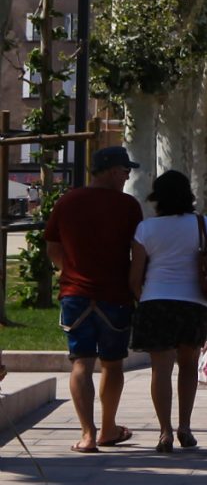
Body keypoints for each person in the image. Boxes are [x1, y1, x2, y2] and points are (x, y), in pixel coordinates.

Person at [46, 145, 145, 452]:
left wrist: (73, 271)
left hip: (75, 295)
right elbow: (137, 251)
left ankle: (87, 434)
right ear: (112, 170)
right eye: (125, 170)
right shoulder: (128, 206)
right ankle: (109, 427)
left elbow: (53, 249)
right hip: (115, 295)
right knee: (113, 365)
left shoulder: (67, 201)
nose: (128, 175)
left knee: (81, 363)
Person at [128, 169, 207, 452]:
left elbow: (135, 275)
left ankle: (164, 431)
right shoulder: (203, 224)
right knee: (188, 366)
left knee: (160, 369)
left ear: (157, 197)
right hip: (193, 304)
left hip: (156, 302)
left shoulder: (146, 229)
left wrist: (144, 298)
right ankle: (185, 426)